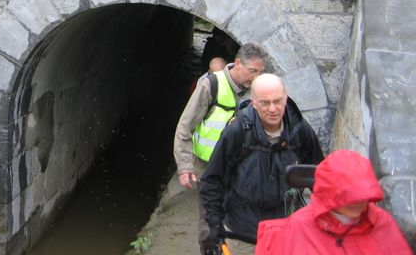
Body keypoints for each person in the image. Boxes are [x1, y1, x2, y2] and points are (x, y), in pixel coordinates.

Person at [200, 73, 324, 255]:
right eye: (265, 103)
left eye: (278, 101)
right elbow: (212, 179)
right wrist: (214, 224)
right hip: (243, 232)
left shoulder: (299, 130)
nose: (273, 109)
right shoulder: (238, 131)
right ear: (254, 103)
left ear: (286, 98)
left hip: (286, 231)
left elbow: (320, 177)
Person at [173, 42, 268, 254]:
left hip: (243, 165)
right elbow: (184, 127)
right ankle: (210, 250)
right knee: (210, 217)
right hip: (210, 167)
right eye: (253, 71)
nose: (256, 77)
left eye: (260, 72)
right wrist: (185, 166)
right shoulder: (210, 85)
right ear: (237, 64)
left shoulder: (259, 90)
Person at [255, 149, 412, 255]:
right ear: (330, 194)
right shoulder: (299, 227)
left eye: (361, 194)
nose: (357, 202)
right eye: (349, 196)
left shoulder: (382, 223)